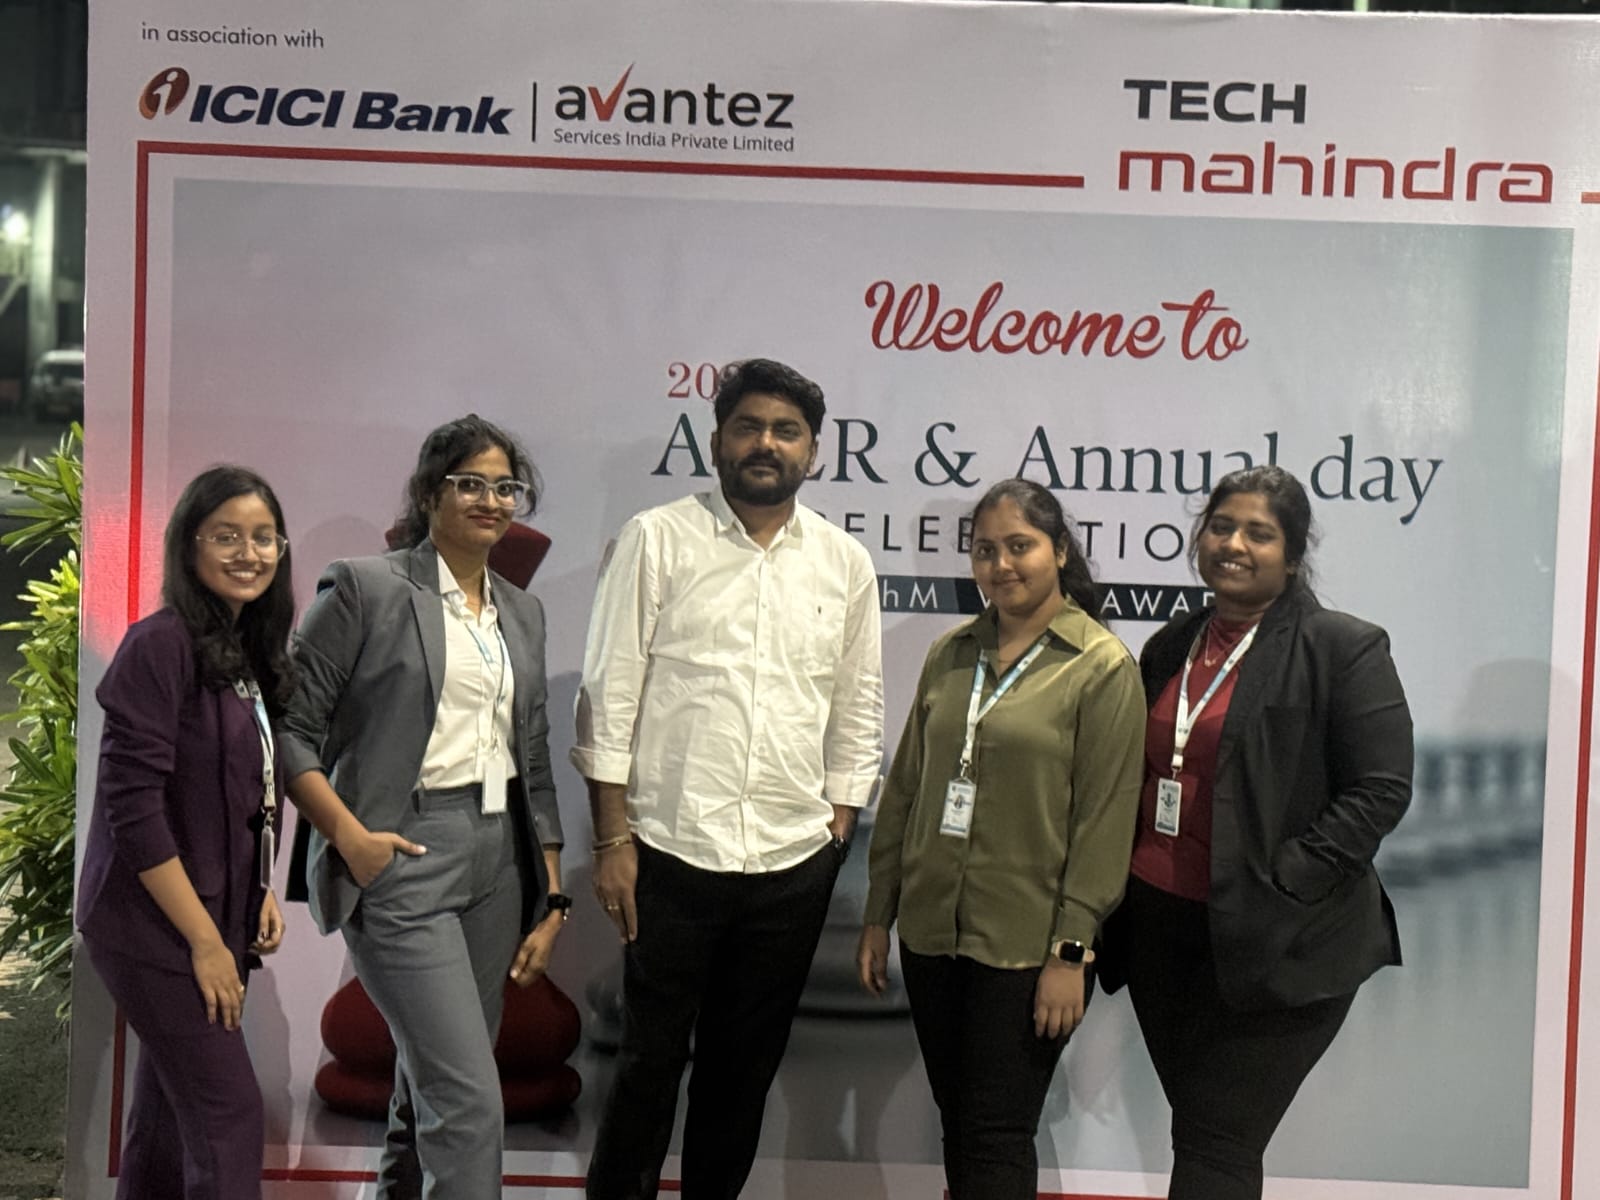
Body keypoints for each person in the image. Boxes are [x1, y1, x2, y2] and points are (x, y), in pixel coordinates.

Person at [574, 357, 884, 1199]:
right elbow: (609, 694)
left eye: (786, 432)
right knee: (646, 1067)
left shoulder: (844, 563)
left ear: (813, 452)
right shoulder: (657, 538)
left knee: (740, 1077)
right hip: (670, 851)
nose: (765, 444)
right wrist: (612, 837)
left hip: (791, 862)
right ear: (715, 442)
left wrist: (839, 825)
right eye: (748, 427)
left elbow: (858, 706)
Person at [279, 415, 567, 1200]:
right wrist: (350, 838)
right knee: (468, 1103)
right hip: (402, 851)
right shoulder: (366, 587)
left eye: (505, 487)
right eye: (470, 483)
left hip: (498, 861)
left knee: (428, 1089)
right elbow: (291, 730)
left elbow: (534, 758)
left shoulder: (522, 612)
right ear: (429, 493)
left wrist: (552, 892)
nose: (490, 500)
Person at [1112, 465, 1413, 1200]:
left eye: (1259, 533)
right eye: (1221, 527)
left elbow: (1381, 789)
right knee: (1206, 1139)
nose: (1234, 545)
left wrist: (1286, 879)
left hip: (1279, 942)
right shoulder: (1172, 644)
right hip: (1163, 935)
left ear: (1294, 553)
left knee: (1216, 1143)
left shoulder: (1342, 647)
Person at [855, 478, 1146, 1200]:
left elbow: (1105, 821)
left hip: (1027, 944)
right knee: (960, 1122)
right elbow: (907, 788)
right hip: (933, 933)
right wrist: (879, 912)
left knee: (995, 1132)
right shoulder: (952, 653)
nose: (1001, 565)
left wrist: (1071, 951)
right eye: (985, 550)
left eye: (1020, 546)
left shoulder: (1100, 665)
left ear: (1060, 551)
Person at [77, 465, 295, 1200]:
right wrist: (204, 941)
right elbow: (132, 810)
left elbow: (245, 786)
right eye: (227, 536)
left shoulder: (245, 649)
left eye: (264, 537)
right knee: (228, 1115)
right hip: (155, 926)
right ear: (189, 545)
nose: (248, 553)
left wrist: (260, 888)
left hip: (214, 913)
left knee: (169, 1122)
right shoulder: (159, 645)